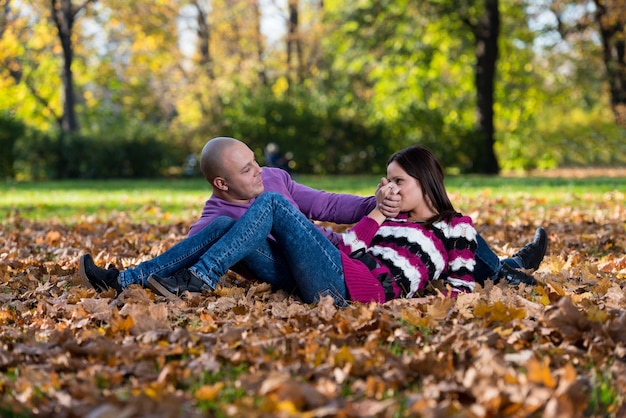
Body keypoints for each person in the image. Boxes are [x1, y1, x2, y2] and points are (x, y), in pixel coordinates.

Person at [79, 137, 546, 301]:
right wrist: (382, 214)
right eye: (245, 170)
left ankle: (507, 267)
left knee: (451, 221)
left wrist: (375, 204)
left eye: (255, 161)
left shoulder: (275, 183)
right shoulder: (215, 214)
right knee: (244, 223)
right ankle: (130, 279)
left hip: (336, 269)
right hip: (309, 268)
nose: (258, 172)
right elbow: (353, 248)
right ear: (222, 184)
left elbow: (327, 206)